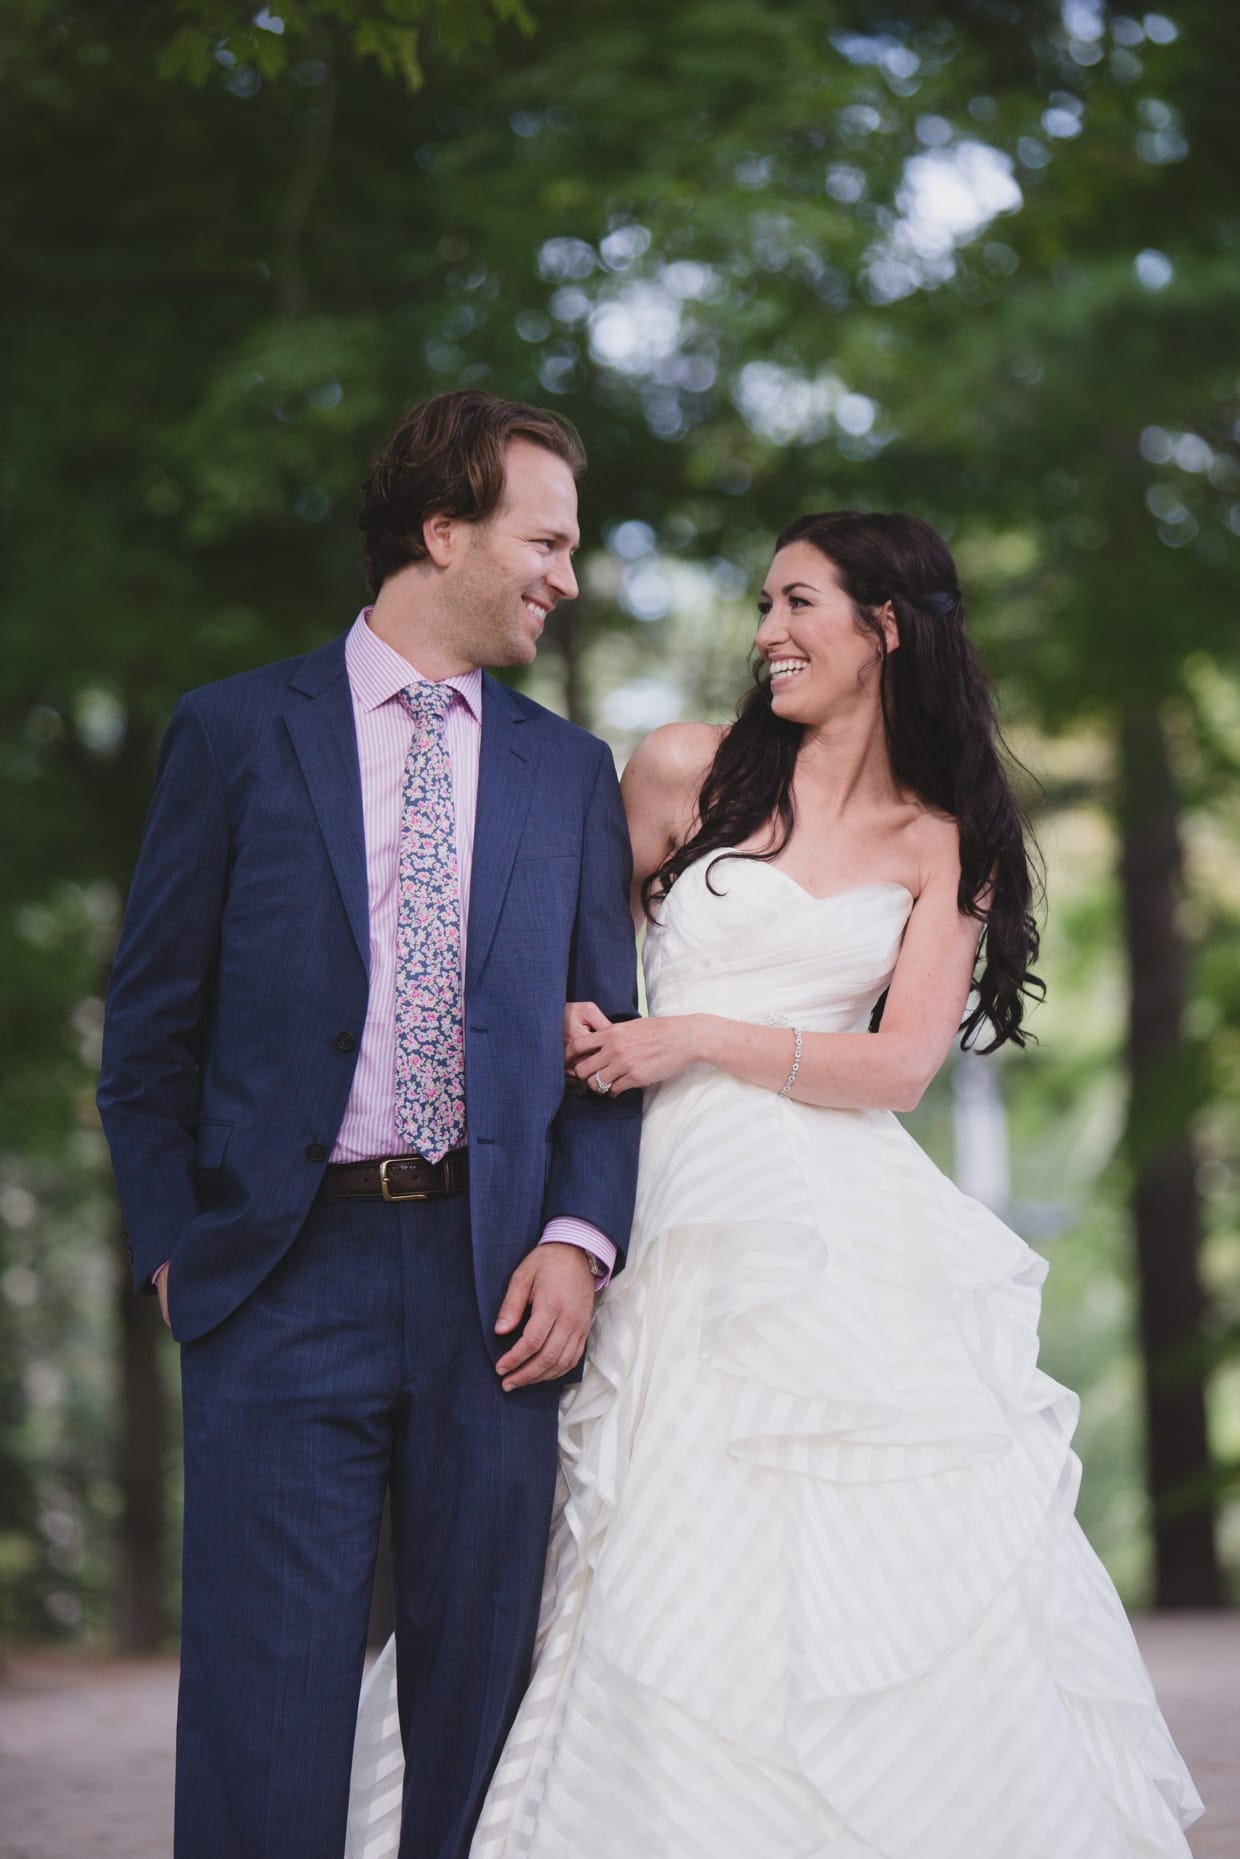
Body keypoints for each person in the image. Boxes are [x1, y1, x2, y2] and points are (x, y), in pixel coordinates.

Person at [348, 508, 1203, 1858]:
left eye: (797, 604)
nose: (765, 635)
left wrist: (691, 1036)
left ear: (887, 628)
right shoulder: (685, 769)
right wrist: (583, 1023)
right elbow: (561, 949)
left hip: (831, 1218)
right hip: (658, 1196)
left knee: (835, 1539)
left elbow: (905, 1067)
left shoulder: (944, 841)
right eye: (763, 606)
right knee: (626, 1526)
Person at [96, 390, 642, 1859]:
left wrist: (582, 1243)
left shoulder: (569, 774)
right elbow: (146, 1037)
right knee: (266, 1728)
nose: (565, 577)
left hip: (499, 1295)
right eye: (545, 540)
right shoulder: (229, 735)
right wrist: (174, 1253)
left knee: (477, 1730)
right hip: (280, 1280)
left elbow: (609, 1050)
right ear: (441, 530)